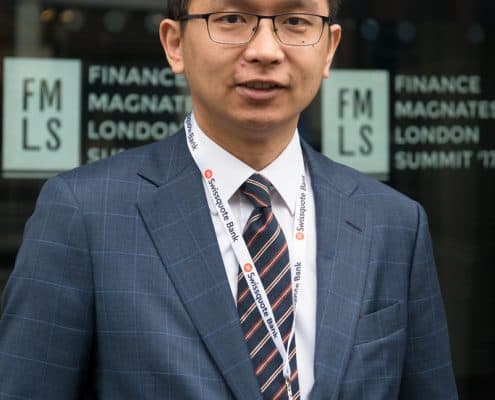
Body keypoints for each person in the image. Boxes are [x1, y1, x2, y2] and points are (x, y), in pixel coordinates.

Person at [0, 0, 458, 399]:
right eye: (233, 18)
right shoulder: (85, 214)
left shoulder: (393, 224)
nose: (265, 51)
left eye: (295, 21)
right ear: (174, 44)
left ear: (329, 49)